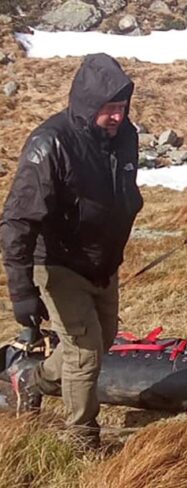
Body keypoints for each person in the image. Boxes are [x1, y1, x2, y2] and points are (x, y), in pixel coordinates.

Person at [1, 53, 143, 448]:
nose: (117, 116)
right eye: (109, 108)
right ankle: (82, 438)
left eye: (122, 107)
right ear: (86, 103)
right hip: (59, 262)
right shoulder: (50, 144)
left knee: (102, 340)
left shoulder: (125, 136)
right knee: (84, 354)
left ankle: (30, 379)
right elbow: (17, 221)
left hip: (103, 263)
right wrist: (22, 291)